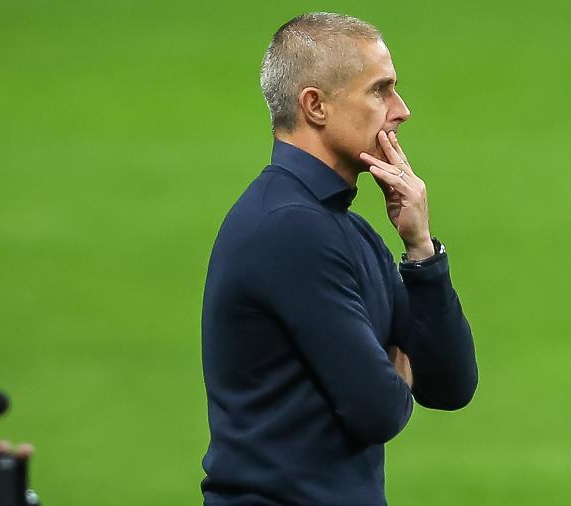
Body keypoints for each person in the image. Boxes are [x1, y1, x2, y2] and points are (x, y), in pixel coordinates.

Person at [200, 12, 478, 505]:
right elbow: (378, 410)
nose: (402, 110)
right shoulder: (288, 228)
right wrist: (397, 367)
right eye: (380, 90)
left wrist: (420, 249)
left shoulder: (350, 231)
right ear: (316, 106)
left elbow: (451, 386)